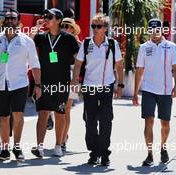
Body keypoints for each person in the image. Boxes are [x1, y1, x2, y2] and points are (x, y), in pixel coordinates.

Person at [0, 9, 41, 161]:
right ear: (4, 21)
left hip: (19, 84)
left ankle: (17, 147)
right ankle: (5, 149)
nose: (9, 20)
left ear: (18, 22)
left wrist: (38, 84)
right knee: (3, 117)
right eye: (7, 18)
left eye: (13, 18)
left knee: (18, 115)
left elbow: (35, 64)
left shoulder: (26, 41)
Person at [72, 13, 124, 166]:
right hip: (89, 87)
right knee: (90, 120)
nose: (95, 29)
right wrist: (75, 81)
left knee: (106, 120)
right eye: (93, 26)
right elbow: (78, 64)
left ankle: (105, 153)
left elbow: (119, 65)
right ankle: (94, 152)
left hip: (107, 86)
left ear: (105, 28)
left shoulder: (113, 44)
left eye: (98, 26)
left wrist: (120, 85)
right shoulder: (86, 43)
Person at [31, 8, 79, 157]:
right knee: (43, 113)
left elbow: (79, 59)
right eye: (45, 16)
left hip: (62, 82)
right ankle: (39, 147)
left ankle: (58, 145)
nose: (46, 19)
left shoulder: (68, 39)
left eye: (49, 17)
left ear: (58, 20)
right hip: (43, 82)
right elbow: (27, 42)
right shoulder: (41, 37)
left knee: (60, 114)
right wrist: (36, 28)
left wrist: (75, 79)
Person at [133, 19, 176, 166]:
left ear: (161, 30)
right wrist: (135, 92)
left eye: (157, 30)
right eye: (152, 30)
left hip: (166, 90)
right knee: (149, 121)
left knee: (165, 123)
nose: (154, 33)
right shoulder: (144, 47)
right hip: (148, 90)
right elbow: (139, 70)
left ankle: (163, 146)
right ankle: (149, 154)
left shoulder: (171, 47)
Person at [60, 17, 81, 152]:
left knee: (66, 109)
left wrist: (76, 82)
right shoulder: (57, 41)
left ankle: (62, 141)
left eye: (68, 26)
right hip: (57, 78)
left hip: (73, 79)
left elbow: (80, 64)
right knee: (58, 110)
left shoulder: (78, 44)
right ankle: (62, 134)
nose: (65, 29)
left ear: (73, 29)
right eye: (63, 26)